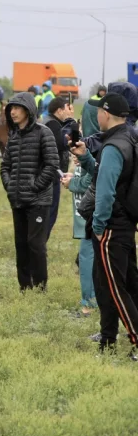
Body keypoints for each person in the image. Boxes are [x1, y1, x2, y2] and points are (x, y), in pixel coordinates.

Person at [71, 93, 138, 358]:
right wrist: (86, 159)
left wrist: (98, 226)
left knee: (115, 287)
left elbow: (106, 192)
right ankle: (107, 339)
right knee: (125, 282)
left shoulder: (113, 146)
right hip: (125, 222)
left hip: (111, 225)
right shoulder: (129, 136)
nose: (96, 114)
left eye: (99, 111)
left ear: (106, 114)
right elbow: (110, 174)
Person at [0, 91, 60, 291]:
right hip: (18, 200)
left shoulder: (44, 133)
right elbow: (4, 167)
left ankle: (41, 285)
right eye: (11, 109)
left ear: (28, 110)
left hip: (38, 201)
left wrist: (35, 186)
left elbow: (52, 165)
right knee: (21, 245)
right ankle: (24, 286)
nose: (13, 112)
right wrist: (10, 185)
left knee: (36, 245)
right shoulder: (14, 136)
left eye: (17, 108)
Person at [64, 148, 98, 319]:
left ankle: (89, 304)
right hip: (89, 216)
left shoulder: (98, 144)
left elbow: (91, 180)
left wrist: (73, 184)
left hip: (92, 216)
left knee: (88, 258)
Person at [44, 97, 75, 235]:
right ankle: (40, 245)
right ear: (59, 110)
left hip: (49, 173)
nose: (68, 112)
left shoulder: (50, 122)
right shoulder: (53, 124)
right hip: (51, 175)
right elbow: (66, 142)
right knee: (50, 213)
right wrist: (71, 121)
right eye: (66, 109)